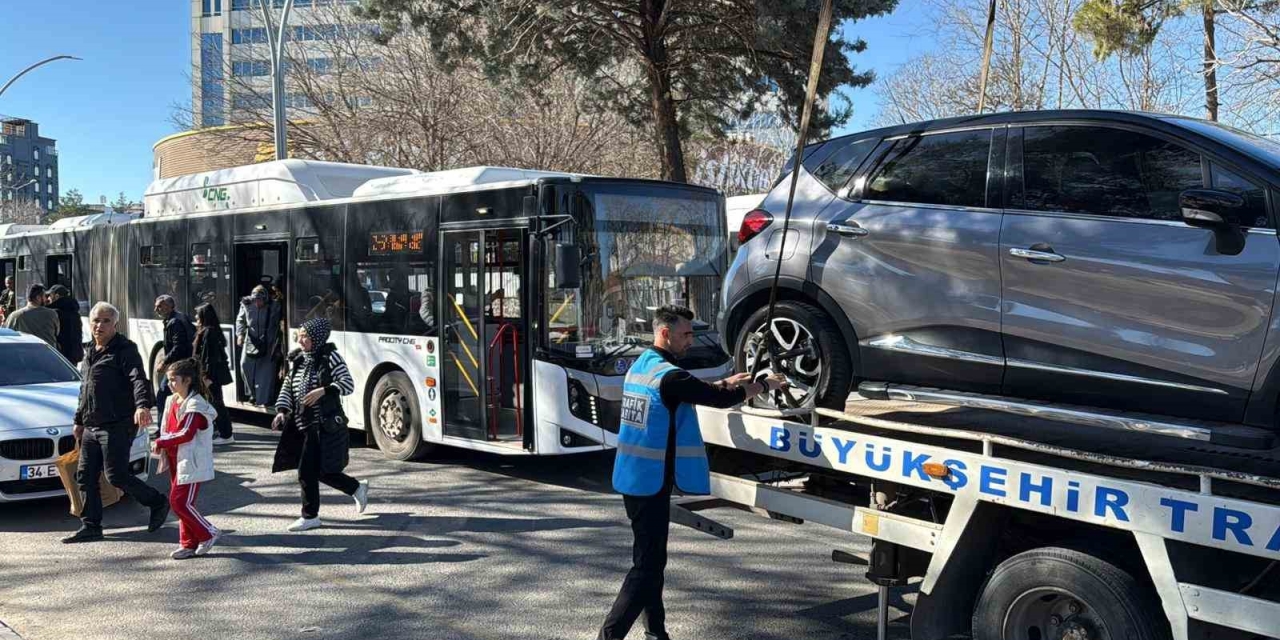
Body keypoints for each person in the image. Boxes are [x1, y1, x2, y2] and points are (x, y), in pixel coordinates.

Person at [597, 305, 786, 640]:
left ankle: (656, 631)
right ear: (664, 333)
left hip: (634, 476)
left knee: (651, 561)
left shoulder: (644, 366)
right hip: (651, 481)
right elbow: (714, 399)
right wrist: (763, 385)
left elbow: (686, 391)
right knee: (646, 567)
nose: (691, 341)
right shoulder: (670, 376)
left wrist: (724, 382)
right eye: (685, 334)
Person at [62, 302, 169, 544]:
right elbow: (85, 390)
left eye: (106, 321)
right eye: (96, 321)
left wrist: (142, 405)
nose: (99, 326)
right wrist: (78, 420)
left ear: (115, 324)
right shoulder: (89, 351)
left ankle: (157, 502)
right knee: (85, 476)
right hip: (91, 425)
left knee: (116, 476)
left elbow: (138, 379)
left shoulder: (125, 349)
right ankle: (91, 526)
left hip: (117, 424)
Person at [271, 317, 369, 532]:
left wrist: (324, 390)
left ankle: (313, 514)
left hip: (325, 427)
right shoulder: (298, 359)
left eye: (305, 336)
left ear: (316, 337)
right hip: (302, 425)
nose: (300, 340)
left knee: (317, 471)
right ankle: (351, 490)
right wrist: (282, 411)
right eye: (300, 336)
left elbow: (347, 384)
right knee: (311, 471)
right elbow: (288, 386)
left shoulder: (330, 357)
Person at [153, 358, 221, 559]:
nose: (170, 384)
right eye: (168, 380)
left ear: (187, 380)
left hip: (191, 461)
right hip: (175, 458)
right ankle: (188, 544)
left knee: (179, 502)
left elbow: (186, 433)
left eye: (174, 380)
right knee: (182, 504)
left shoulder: (196, 405)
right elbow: (168, 427)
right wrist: (164, 443)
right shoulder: (172, 400)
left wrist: (161, 441)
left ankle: (208, 532)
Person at [193, 303, 235, 445]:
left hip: (211, 376)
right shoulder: (209, 331)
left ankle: (226, 434)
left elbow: (209, 358)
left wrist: (207, 377)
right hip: (210, 375)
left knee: (216, 403)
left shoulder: (209, 333)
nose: (195, 317)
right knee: (213, 403)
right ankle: (219, 431)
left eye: (198, 315)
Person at [235, 287, 281, 408]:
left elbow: (279, 322)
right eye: (255, 300)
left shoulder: (274, 306)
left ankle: (265, 398)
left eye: (260, 300)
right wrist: (240, 334)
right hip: (251, 340)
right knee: (245, 365)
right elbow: (240, 320)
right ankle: (253, 394)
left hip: (268, 341)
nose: (257, 303)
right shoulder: (246, 304)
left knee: (266, 372)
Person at [154, 295, 195, 417]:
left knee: (162, 395)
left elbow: (178, 346)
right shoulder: (179, 318)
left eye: (159, 306)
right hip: (185, 364)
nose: (156, 310)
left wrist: (164, 362)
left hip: (179, 366)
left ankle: (164, 426)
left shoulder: (175, 322)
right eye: (156, 306)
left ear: (169, 306)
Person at [4, 283, 60, 348]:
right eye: (45, 296)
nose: (47, 299)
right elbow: (57, 332)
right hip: (48, 352)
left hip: (25, 352)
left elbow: (7, 336)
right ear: (38, 298)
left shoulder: (15, 316)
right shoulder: (52, 314)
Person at [47, 285, 84, 365]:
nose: (48, 299)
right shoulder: (74, 312)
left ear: (56, 296)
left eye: (50, 296)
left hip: (61, 353)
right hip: (75, 352)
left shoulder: (54, 313)